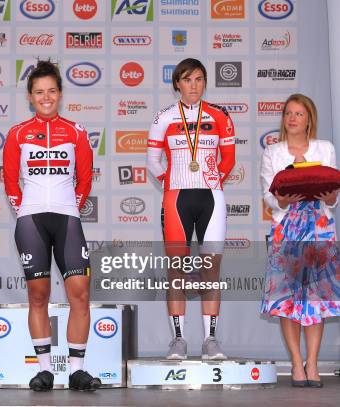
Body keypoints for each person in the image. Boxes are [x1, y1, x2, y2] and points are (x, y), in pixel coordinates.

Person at [3, 60, 100, 391]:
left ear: (60, 94)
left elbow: (84, 178)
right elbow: (10, 182)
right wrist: (23, 211)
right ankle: (44, 370)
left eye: (52, 91)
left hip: (67, 219)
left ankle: (77, 370)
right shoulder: (17, 133)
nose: (46, 98)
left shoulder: (76, 131)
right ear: (30, 97)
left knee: (80, 294)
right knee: (38, 295)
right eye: (39, 92)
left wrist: (69, 205)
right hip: (31, 219)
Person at [146, 58, 235, 360]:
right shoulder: (163, 118)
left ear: (204, 82)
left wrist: (212, 180)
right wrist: (170, 183)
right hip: (176, 198)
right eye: (187, 80)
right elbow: (153, 161)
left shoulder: (220, 115)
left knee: (211, 268)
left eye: (198, 79)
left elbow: (229, 158)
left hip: (212, 197)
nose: (193, 85)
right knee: (177, 271)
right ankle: (178, 340)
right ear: (177, 84)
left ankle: (211, 340)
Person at [260, 93, 339, 388]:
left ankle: (314, 364)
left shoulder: (325, 148)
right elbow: (268, 194)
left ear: (309, 119)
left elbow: (332, 191)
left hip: (319, 228)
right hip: (287, 230)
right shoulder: (272, 152)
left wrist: (331, 197)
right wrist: (280, 200)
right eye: (288, 113)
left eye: (299, 114)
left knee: (317, 299)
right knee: (287, 300)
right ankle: (296, 363)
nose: (292, 119)